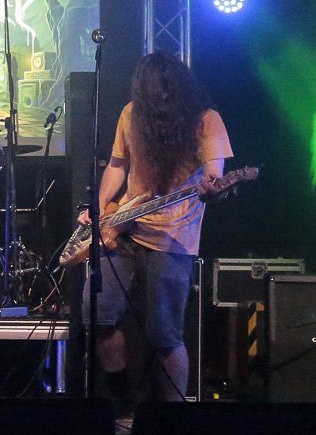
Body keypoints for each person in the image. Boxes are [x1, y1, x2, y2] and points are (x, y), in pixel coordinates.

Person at [82, 51, 233, 405]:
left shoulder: (205, 120)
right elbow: (117, 164)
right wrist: (100, 207)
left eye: (167, 91)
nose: (161, 98)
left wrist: (212, 188)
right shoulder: (131, 114)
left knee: (165, 336)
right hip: (123, 228)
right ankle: (121, 400)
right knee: (97, 315)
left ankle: (172, 416)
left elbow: (215, 175)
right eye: (154, 92)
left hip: (173, 237)